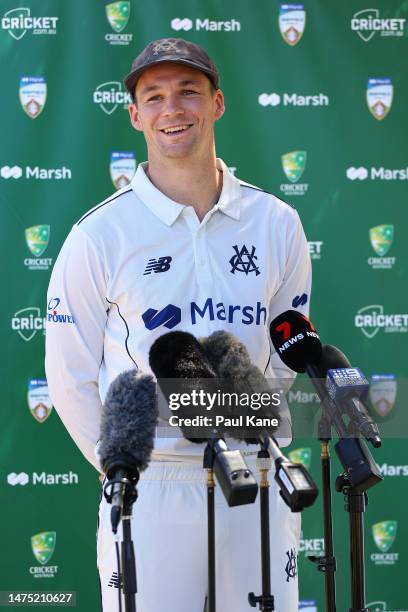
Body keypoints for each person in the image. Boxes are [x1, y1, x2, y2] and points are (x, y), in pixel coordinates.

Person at [45, 37, 311, 612]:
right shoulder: (99, 235)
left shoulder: (277, 223)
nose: (174, 109)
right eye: (155, 96)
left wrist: (244, 429)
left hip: (258, 473)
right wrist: (126, 465)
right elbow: (69, 376)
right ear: (136, 115)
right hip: (153, 487)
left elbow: (284, 357)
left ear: (217, 103)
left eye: (189, 92)